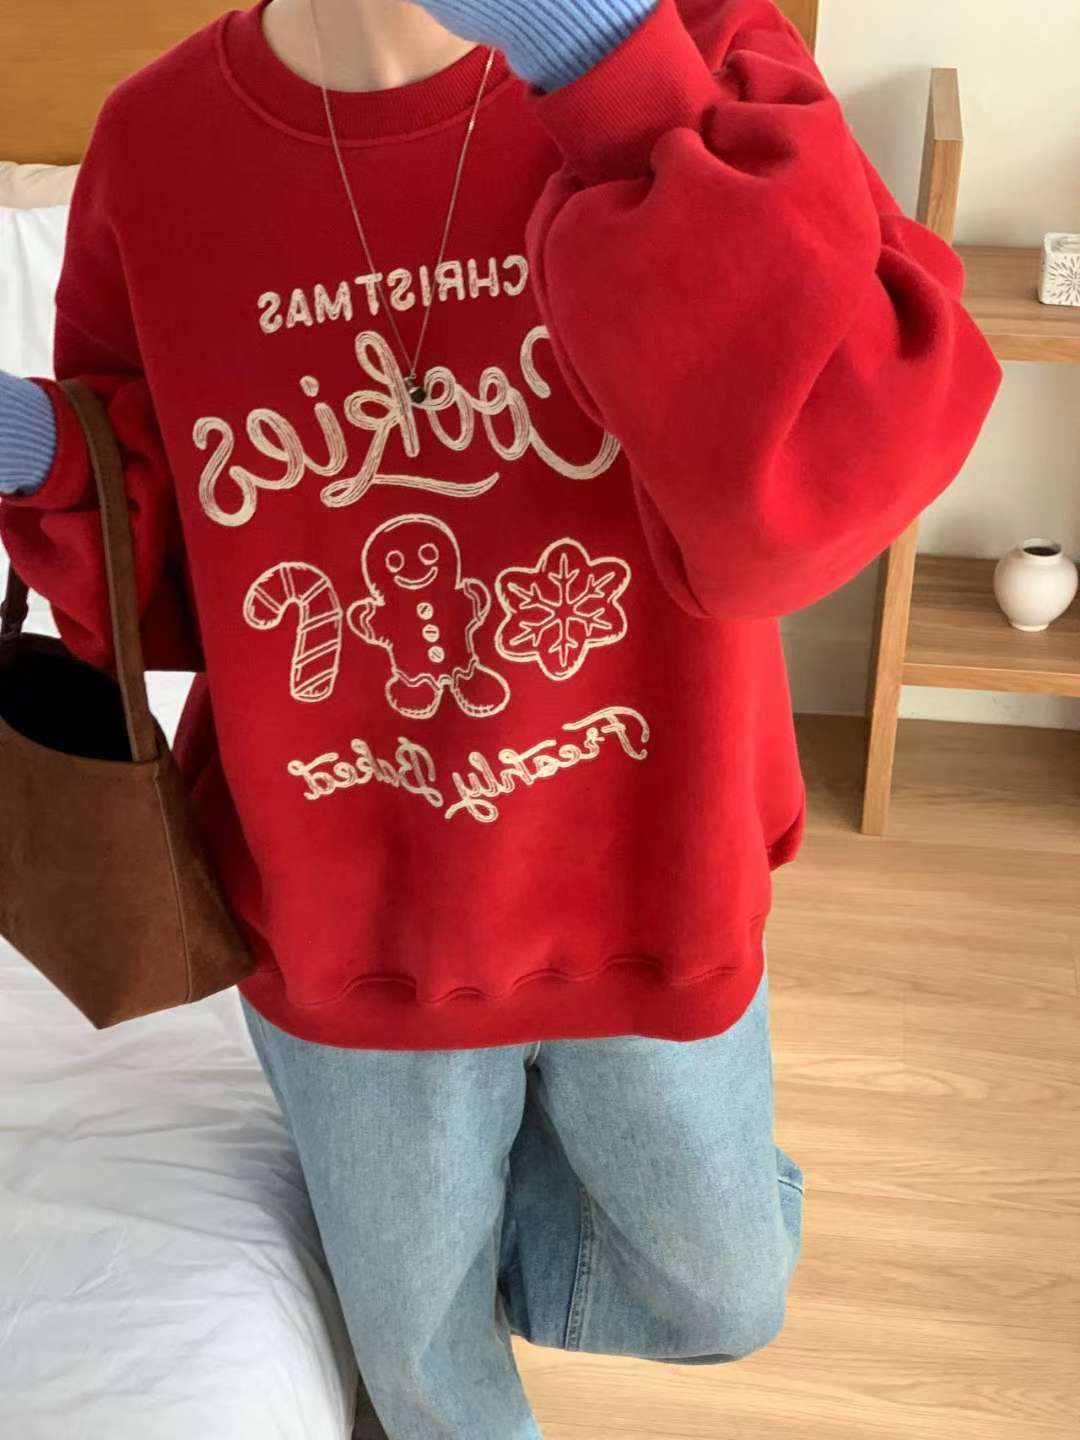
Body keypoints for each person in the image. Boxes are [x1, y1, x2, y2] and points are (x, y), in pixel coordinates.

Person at [0, 1, 1002, 1435]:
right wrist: (31, 446)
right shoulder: (156, 144)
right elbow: (180, 571)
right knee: (426, 1375)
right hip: (347, 906)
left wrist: (600, 65)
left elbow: (829, 478)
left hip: (646, 868)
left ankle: (458, 1193)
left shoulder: (699, 53)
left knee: (726, 1288)